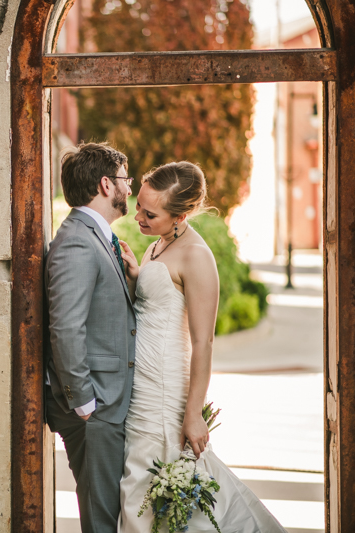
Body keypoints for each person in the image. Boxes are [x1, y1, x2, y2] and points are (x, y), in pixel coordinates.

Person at [117, 161, 287, 532]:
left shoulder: (196, 255)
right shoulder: (158, 245)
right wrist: (135, 277)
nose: (139, 216)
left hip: (164, 389)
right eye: (140, 205)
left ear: (182, 214)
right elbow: (155, 305)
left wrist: (193, 413)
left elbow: (203, 341)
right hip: (141, 383)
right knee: (144, 490)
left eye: (151, 213)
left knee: (147, 492)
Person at [45, 142, 138, 533]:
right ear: (105, 184)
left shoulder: (97, 236)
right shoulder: (78, 241)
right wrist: (84, 403)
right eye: (124, 180)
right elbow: (66, 326)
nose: (129, 189)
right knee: (101, 522)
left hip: (106, 403)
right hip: (95, 408)